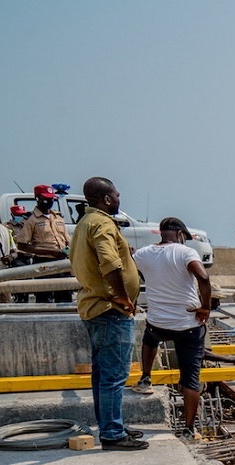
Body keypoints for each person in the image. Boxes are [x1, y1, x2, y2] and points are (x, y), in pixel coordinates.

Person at [70, 176, 146, 450]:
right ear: (106, 199)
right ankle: (112, 434)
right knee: (115, 375)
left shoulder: (84, 223)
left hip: (94, 306)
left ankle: (110, 425)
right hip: (110, 309)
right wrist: (123, 296)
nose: (118, 199)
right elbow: (109, 262)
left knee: (103, 374)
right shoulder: (102, 223)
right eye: (116, 195)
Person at [130, 217, 214, 440]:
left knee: (150, 338)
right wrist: (205, 307)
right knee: (191, 379)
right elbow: (204, 278)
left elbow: (127, 270)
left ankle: (146, 377)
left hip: (158, 322)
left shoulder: (143, 253)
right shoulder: (185, 253)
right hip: (188, 325)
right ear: (179, 234)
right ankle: (188, 429)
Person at [15, 184, 72, 302]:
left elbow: (67, 239)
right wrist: (51, 251)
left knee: (65, 297)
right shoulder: (31, 220)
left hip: (62, 262)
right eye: (46, 198)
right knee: (45, 298)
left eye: (51, 198)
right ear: (37, 199)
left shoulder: (58, 217)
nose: (49, 201)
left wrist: (69, 251)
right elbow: (22, 245)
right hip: (44, 263)